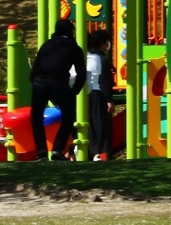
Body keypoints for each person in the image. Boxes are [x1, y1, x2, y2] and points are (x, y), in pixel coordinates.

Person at [29, 18, 86, 161]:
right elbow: (81, 74)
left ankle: (41, 151)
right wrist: (73, 92)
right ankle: (57, 149)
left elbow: (34, 70)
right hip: (59, 83)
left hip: (40, 82)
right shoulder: (73, 48)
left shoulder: (46, 46)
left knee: (36, 117)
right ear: (71, 31)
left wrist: (35, 84)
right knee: (69, 116)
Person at [85, 29, 115, 160]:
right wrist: (109, 99)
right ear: (103, 44)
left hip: (83, 93)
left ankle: (91, 152)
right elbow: (105, 81)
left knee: (89, 125)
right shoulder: (101, 59)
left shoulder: (84, 56)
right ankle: (101, 153)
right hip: (97, 94)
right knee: (101, 125)